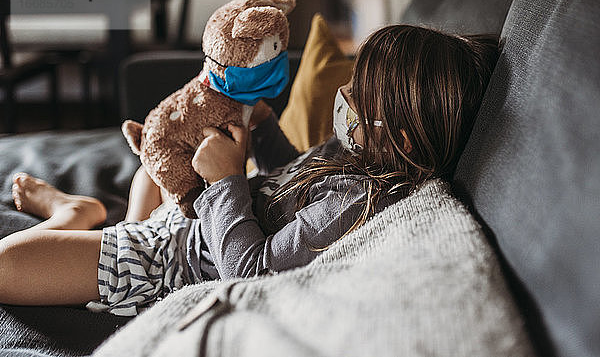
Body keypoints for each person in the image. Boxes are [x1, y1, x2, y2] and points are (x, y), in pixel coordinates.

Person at [0, 25, 499, 316]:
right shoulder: (360, 150)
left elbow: (253, 271)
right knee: (153, 168)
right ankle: (121, 222)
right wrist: (261, 130)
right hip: (190, 219)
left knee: (6, 265)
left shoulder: (359, 202)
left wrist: (225, 182)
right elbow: (288, 182)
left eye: (358, 94)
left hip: (173, 260)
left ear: (402, 140)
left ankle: (75, 213)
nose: (343, 98)